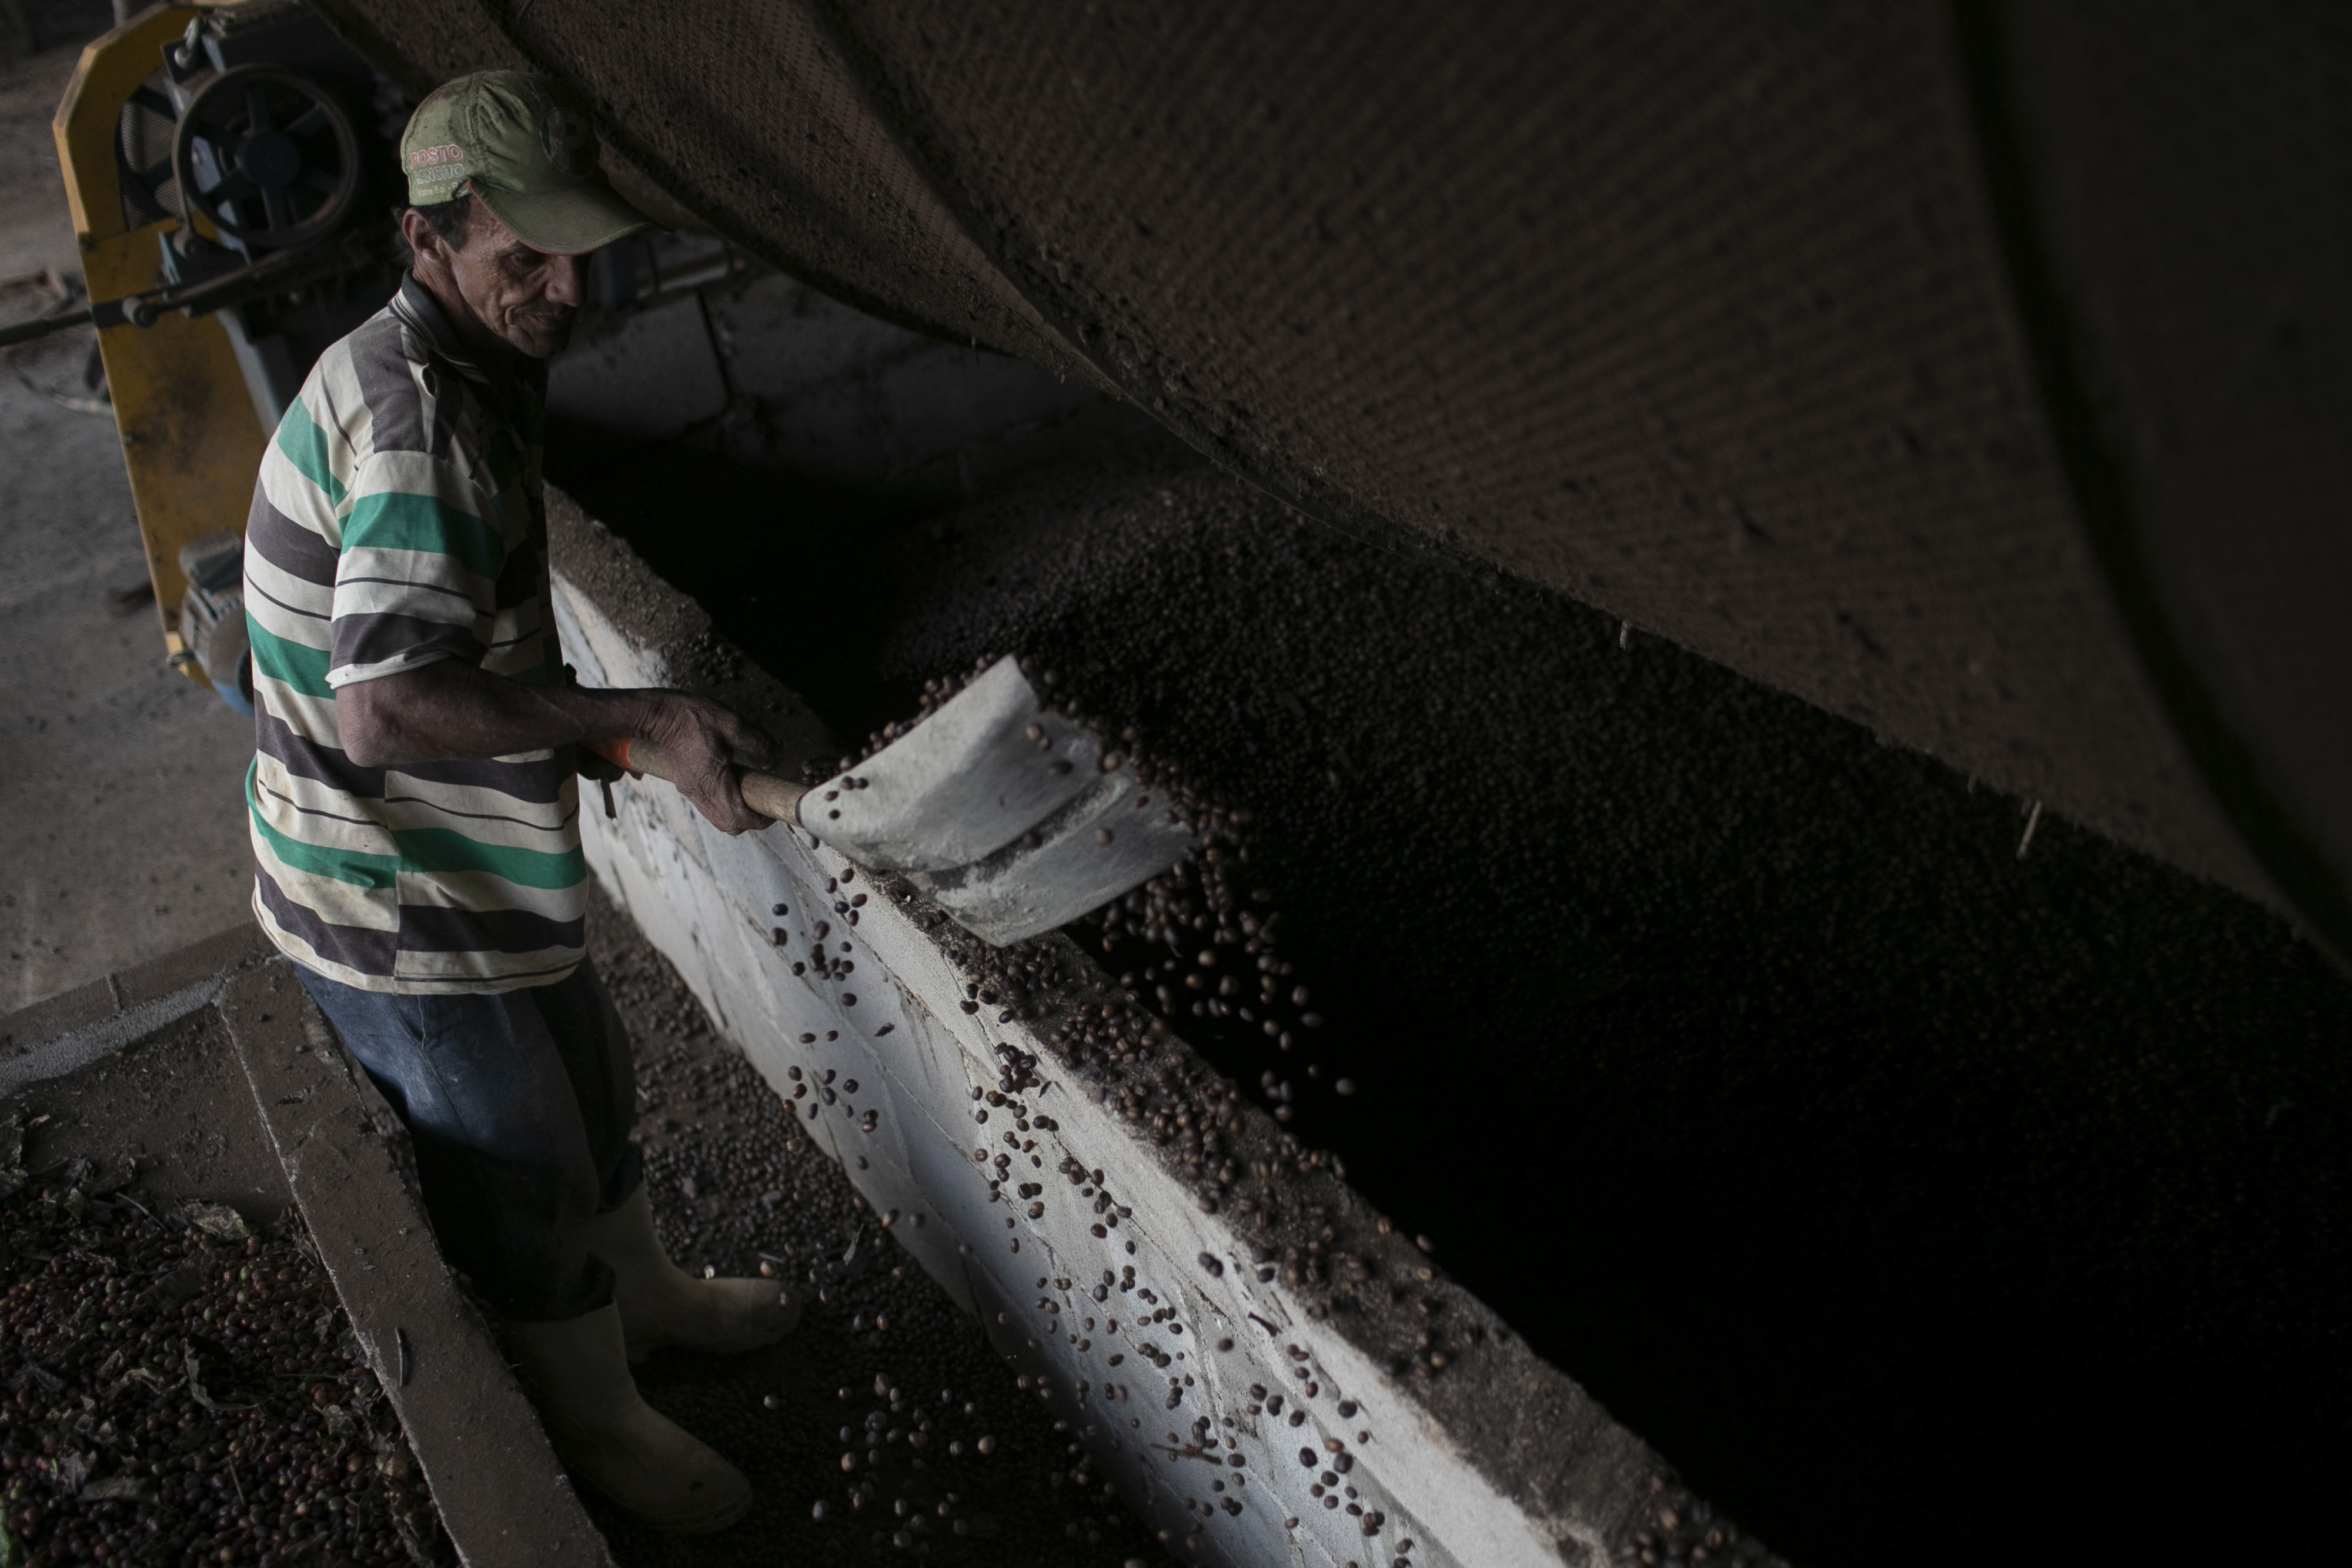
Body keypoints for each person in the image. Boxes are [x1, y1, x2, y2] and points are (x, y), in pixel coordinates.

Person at [240, 70, 783, 1533]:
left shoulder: (448, 361)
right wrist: (645, 718)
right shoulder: (425, 419)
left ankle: (647, 1303)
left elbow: (454, 647)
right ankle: (595, 1424)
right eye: (521, 257)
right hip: (385, 888)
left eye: (578, 246)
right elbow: (388, 701)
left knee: (588, 1073)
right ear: (426, 242)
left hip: (456, 854)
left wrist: (605, 744)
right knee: (517, 1155)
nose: (567, 284)